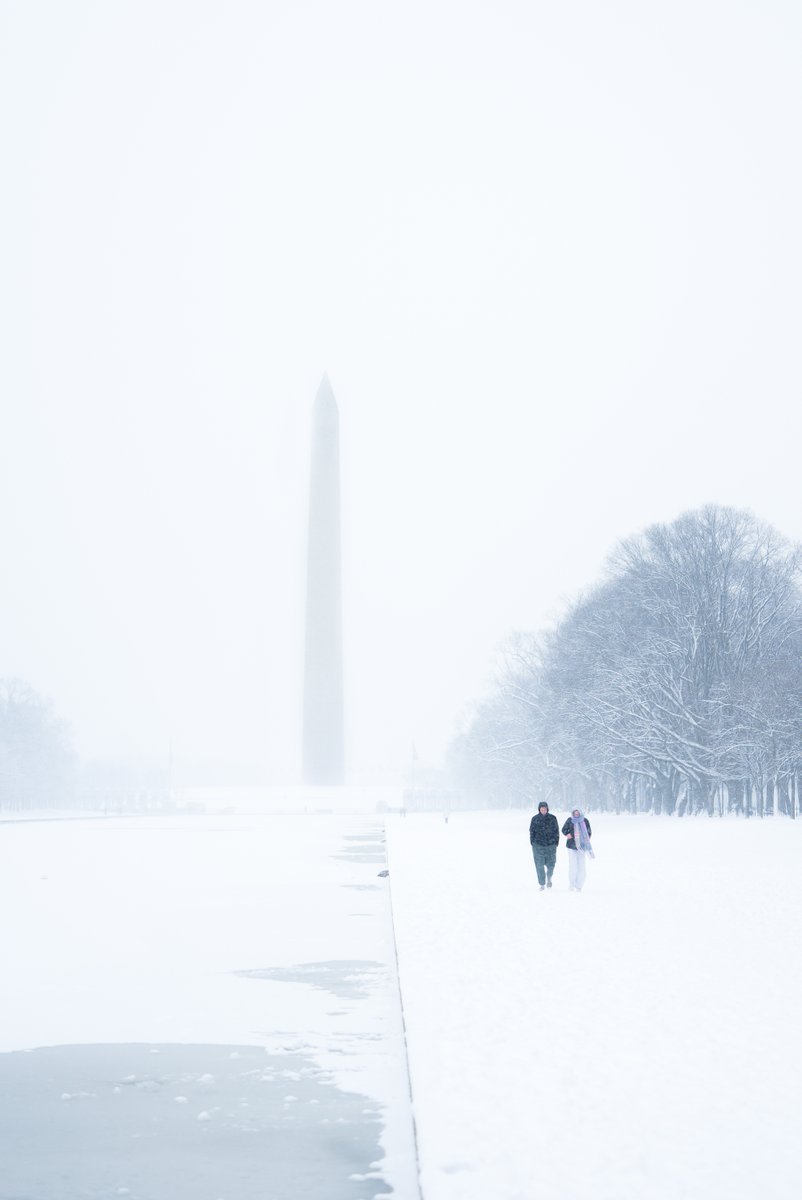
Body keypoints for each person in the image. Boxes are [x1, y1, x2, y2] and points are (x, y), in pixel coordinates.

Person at [529, 801, 559, 890]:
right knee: (539, 865)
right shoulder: (535, 819)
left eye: (545, 808)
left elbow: (556, 831)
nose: (543, 810)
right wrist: (532, 842)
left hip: (551, 845)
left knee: (551, 864)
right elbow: (532, 831)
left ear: (547, 809)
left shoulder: (553, 818)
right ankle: (542, 883)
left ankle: (549, 877)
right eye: (542, 808)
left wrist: (556, 842)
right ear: (539, 809)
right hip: (538, 845)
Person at [562, 808, 594, 891]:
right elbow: (564, 829)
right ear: (572, 813)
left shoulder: (585, 821)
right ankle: (571, 884)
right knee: (573, 866)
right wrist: (568, 834)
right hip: (571, 846)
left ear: (580, 813)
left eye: (578, 813)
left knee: (581, 867)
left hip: (582, 847)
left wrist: (587, 837)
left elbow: (589, 831)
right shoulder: (570, 820)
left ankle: (579, 885)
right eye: (575, 813)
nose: (576, 815)